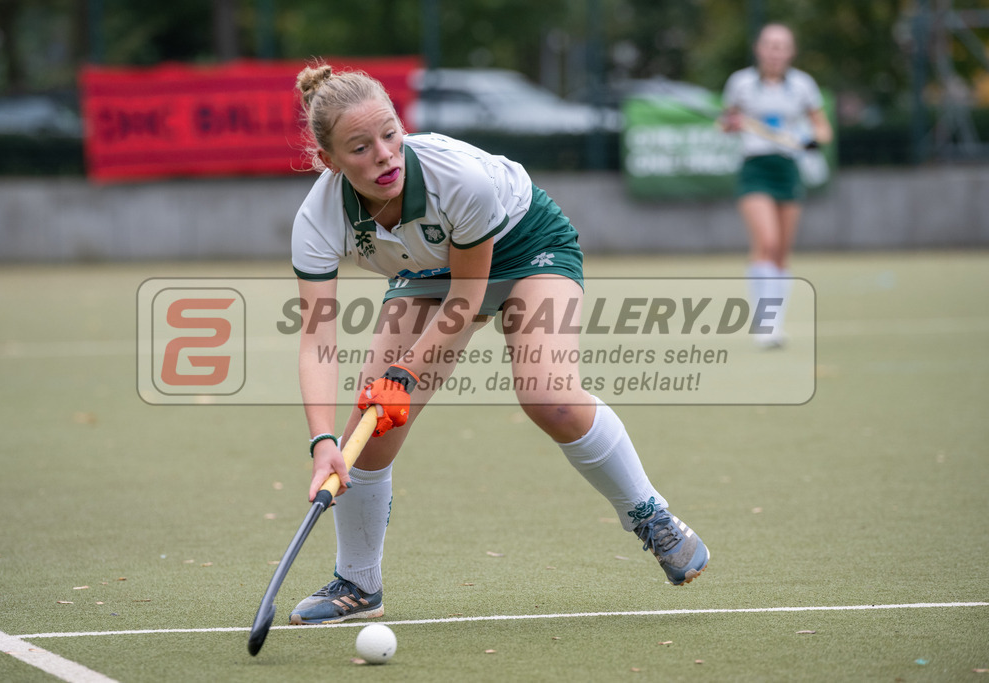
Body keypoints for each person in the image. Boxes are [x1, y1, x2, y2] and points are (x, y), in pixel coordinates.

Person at [286, 62, 709, 625]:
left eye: (390, 133)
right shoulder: (317, 220)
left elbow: (467, 299)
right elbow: (317, 338)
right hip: (430, 268)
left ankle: (648, 513)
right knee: (373, 422)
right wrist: (322, 442)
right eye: (360, 148)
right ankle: (359, 584)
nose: (384, 155)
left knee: (548, 397)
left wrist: (406, 374)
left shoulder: (458, 179)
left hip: (525, 244)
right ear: (331, 161)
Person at [720, 23, 833, 348]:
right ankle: (765, 325)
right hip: (755, 169)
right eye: (769, 44)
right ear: (759, 49)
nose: (774, 51)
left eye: (781, 45)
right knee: (766, 242)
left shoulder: (802, 86)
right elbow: (725, 123)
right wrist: (732, 122)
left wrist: (810, 140)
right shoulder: (740, 84)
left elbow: (823, 130)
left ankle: (775, 323)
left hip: (788, 170)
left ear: (790, 52)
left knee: (781, 252)